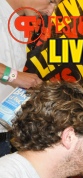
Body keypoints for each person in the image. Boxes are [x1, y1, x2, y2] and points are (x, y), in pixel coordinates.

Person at [1, 0, 45, 156]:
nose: (51, 11)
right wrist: (15, 76)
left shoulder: (20, 23)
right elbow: (14, 75)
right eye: (51, 1)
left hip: (4, 133)